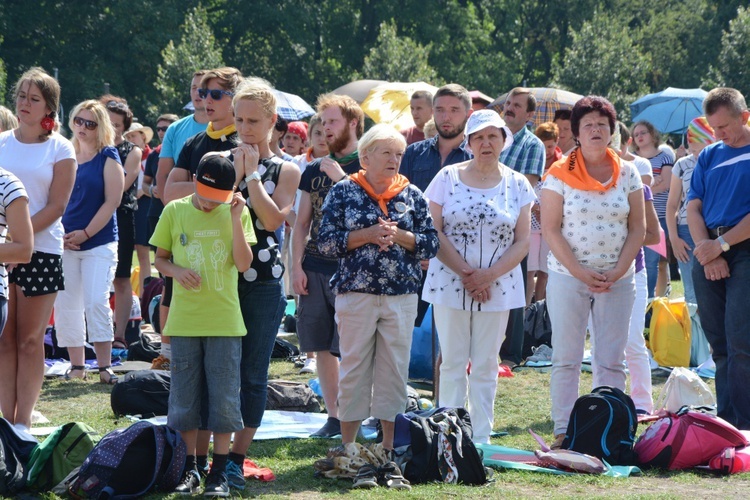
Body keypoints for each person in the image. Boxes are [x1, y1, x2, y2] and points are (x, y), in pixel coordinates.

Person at [318, 123, 438, 450]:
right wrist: (367, 235)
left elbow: (431, 245)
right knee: (355, 368)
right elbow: (326, 244)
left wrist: (399, 236)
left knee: (394, 372)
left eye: (399, 154)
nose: (394, 159)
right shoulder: (344, 191)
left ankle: (388, 449)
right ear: (366, 156)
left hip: (401, 297)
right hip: (356, 295)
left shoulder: (412, 195)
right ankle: (350, 446)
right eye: (386, 152)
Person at [423, 110, 534, 443]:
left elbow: (523, 240)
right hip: (450, 281)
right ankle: (448, 439)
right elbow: (433, 230)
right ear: (469, 143)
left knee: (486, 364)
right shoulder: (447, 177)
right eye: (479, 137)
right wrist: (468, 275)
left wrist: (487, 276)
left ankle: (481, 440)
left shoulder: (518, 183)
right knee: (453, 362)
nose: (486, 143)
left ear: (504, 140)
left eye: (493, 136)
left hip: (499, 286)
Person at [541, 96, 645, 448]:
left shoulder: (628, 172)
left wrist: (618, 270)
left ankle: (611, 429)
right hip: (569, 277)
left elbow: (638, 229)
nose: (596, 129)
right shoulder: (557, 175)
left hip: (618, 279)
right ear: (576, 134)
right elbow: (551, 228)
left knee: (611, 359)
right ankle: (563, 431)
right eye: (588, 125)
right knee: (566, 357)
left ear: (613, 131)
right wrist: (580, 272)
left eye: (602, 124)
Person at [151, 153, 255, 496]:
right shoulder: (175, 210)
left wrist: (236, 218)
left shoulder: (235, 211)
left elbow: (243, 264)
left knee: (224, 400)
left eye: (219, 200)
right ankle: (190, 468)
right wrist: (177, 271)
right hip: (184, 322)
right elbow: (160, 259)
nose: (211, 205)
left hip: (225, 323)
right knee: (184, 399)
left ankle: (219, 472)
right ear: (196, 181)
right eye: (206, 197)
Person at [223, 79, 301, 489]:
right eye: (239, 119)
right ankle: (211, 456)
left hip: (264, 282)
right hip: (220, 281)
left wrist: (251, 177)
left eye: (254, 120)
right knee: (219, 371)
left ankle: (237, 456)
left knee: (252, 374)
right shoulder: (220, 159)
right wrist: (232, 173)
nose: (245, 128)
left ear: (273, 121)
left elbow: (273, 221)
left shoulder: (286, 168)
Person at [0, 67, 76, 430]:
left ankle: (23, 423)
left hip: (42, 251)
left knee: (30, 341)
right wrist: (9, 247)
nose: (25, 104)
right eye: (21, 96)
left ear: (49, 108)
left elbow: (57, 206)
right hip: (2, 252)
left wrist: (22, 241)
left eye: (34, 99)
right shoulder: (1, 142)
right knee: (3, 340)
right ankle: (6, 421)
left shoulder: (61, 148)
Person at [292, 93, 364, 438]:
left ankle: (355, 415)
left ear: (353, 123)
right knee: (320, 346)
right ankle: (334, 416)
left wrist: (342, 179)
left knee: (352, 347)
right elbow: (301, 224)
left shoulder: (368, 165)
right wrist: (295, 267)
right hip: (315, 266)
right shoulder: (312, 170)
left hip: (354, 270)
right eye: (322, 123)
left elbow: (374, 211)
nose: (325, 129)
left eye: (332, 121)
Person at [687, 87, 750, 430]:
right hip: (709, 248)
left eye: (724, 127)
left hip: (742, 250)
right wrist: (707, 250)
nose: (718, 134)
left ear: (744, 116)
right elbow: (693, 206)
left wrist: (722, 245)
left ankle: (745, 423)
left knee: (742, 339)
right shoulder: (710, 155)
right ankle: (727, 420)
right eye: (713, 128)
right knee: (719, 342)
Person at [55, 100, 124, 384]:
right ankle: (77, 366)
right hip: (65, 241)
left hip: (100, 241)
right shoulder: (64, 154)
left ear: (101, 127)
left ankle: (105, 366)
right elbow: (52, 199)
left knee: (96, 301)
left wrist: (86, 233)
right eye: (78, 121)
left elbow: (112, 202)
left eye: (90, 123)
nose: (82, 127)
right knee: (67, 304)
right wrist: (61, 233)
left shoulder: (108, 155)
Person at [399, 83, 473, 331]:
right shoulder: (413, 153)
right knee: (407, 327)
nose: (446, 116)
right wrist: (418, 249)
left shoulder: (475, 158)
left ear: (468, 114)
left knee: (456, 333)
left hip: (460, 258)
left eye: (454, 110)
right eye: (440, 109)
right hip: (416, 257)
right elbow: (401, 205)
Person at [152, 71, 209, 369]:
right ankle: (167, 353)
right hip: (180, 218)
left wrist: (195, 185)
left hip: (218, 223)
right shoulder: (178, 129)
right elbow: (165, 187)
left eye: (209, 90)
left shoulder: (230, 130)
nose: (201, 94)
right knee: (171, 284)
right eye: (196, 88)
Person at [499, 88, 546, 367]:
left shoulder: (532, 145)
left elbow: (526, 185)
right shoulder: (492, 136)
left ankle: (511, 353)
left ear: (530, 115)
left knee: (514, 288)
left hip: (516, 226)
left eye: (517, 105)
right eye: (507, 103)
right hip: (485, 225)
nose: (510, 108)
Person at [100, 95, 142, 348]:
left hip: (122, 216)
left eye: (117, 124)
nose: (113, 128)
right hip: (91, 217)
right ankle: (94, 333)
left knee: (121, 278)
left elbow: (121, 187)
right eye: (108, 122)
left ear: (125, 127)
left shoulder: (132, 151)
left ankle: (120, 334)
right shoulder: (91, 149)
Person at [667, 117, 716, 310]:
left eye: (700, 149)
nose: (696, 155)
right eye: (692, 149)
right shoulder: (682, 165)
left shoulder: (720, 160)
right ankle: (696, 339)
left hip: (714, 229)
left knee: (715, 290)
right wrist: (674, 238)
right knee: (692, 293)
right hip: (686, 231)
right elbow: (672, 205)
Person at [632, 120, 673, 298]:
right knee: (648, 261)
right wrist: (650, 185)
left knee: (660, 262)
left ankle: (657, 300)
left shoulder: (664, 155)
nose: (639, 136)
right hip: (640, 217)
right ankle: (647, 300)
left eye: (643, 133)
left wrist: (644, 188)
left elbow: (667, 183)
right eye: (636, 134)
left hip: (662, 215)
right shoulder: (633, 159)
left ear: (652, 134)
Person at [527, 122, 561, 304]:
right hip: (531, 224)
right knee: (529, 271)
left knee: (545, 272)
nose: (547, 150)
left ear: (556, 143)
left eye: (551, 146)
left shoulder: (562, 164)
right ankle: (524, 315)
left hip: (550, 225)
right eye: (543, 145)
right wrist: (537, 208)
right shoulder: (531, 160)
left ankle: (539, 314)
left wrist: (548, 211)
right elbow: (524, 189)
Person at [124, 122, 154, 298]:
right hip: (129, 205)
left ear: (143, 136)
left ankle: (146, 297)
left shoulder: (152, 156)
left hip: (145, 206)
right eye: (128, 137)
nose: (130, 140)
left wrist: (141, 192)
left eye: (133, 136)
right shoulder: (126, 156)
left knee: (144, 254)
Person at [142, 113, 179, 242]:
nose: (161, 132)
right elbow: (145, 184)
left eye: (165, 129)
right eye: (158, 129)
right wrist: (152, 190)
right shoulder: (153, 155)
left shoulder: (185, 151)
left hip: (179, 210)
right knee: (160, 257)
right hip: (156, 211)